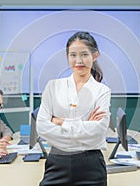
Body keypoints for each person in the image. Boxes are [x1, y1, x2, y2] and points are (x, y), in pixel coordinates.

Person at [37, 31, 111, 186]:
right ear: (67, 57)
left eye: (84, 54)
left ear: (95, 56)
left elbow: (98, 131)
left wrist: (60, 122)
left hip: (91, 166)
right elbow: (42, 127)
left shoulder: (102, 91)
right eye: (73, 55)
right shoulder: (53, 87)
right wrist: (84, 126)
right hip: (57, 163)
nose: (79, 60)